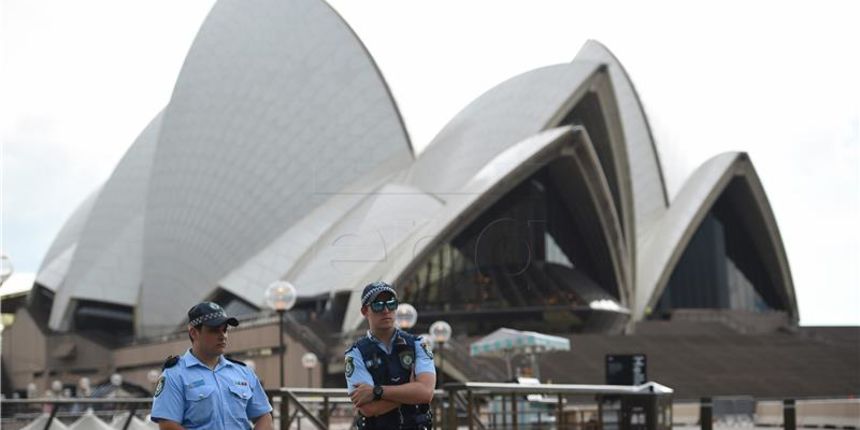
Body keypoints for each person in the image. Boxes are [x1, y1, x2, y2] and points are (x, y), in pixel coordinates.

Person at [151, 302, 274, 430]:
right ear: (194, 333)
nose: (222, 336)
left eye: (225, 330)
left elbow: (264, 416)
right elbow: (168, 425)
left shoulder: (243, 372)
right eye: (214, 330)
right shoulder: (174, 374)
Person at [345, 281, 436, 429]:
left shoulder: (418, 344)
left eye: (391, 303)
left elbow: (426, 393)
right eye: (378, 305)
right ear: (364, 311)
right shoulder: (355, 353)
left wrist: (376, 391)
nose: (386, 310)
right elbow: (368, 409)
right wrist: (411, 390)